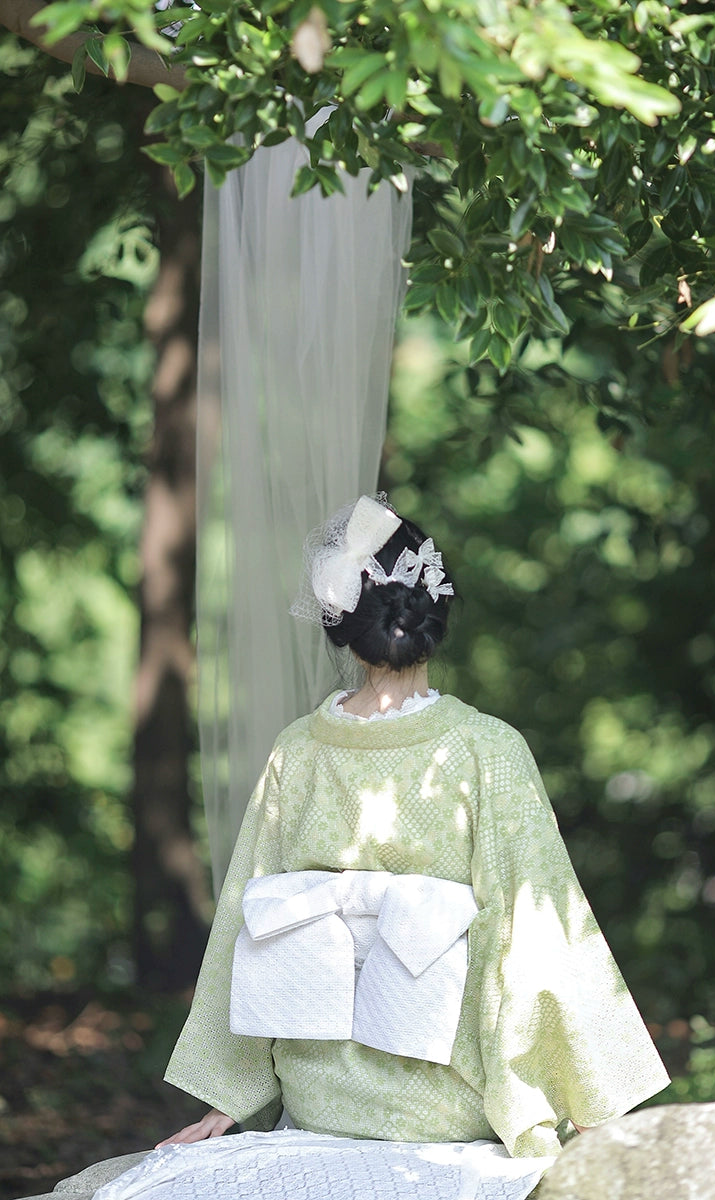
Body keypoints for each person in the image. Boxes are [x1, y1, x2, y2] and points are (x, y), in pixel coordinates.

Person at [109, 495, 670, 1199]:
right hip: (448, 1102)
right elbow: (541, 932)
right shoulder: (485, 750)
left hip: (322, 1099)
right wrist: (590, 1104)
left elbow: (243, 924)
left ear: (343, 627)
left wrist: (229, 1096)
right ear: (434, 617)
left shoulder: (298, 751)